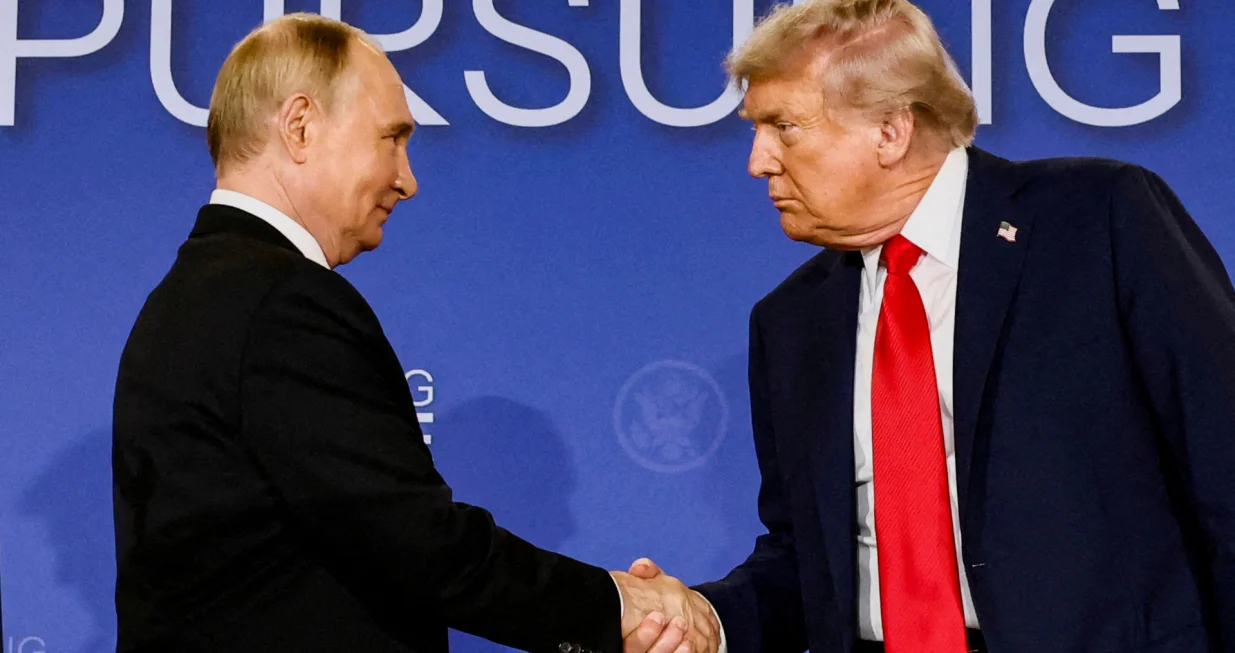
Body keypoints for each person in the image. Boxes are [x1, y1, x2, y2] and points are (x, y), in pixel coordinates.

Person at [622, 0, 1235, 652]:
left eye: (783, 126)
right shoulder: (791, 322)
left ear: (889, 130)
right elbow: (811, 560)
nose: (758, 161)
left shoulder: (1095, 222)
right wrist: (707, 619)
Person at [110, 13, 715, 653]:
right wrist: (618, 606)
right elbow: (410, 538)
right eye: (390, 138)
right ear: (299, 127)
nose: (408, 178)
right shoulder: (282, 303)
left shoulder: (194, 295)